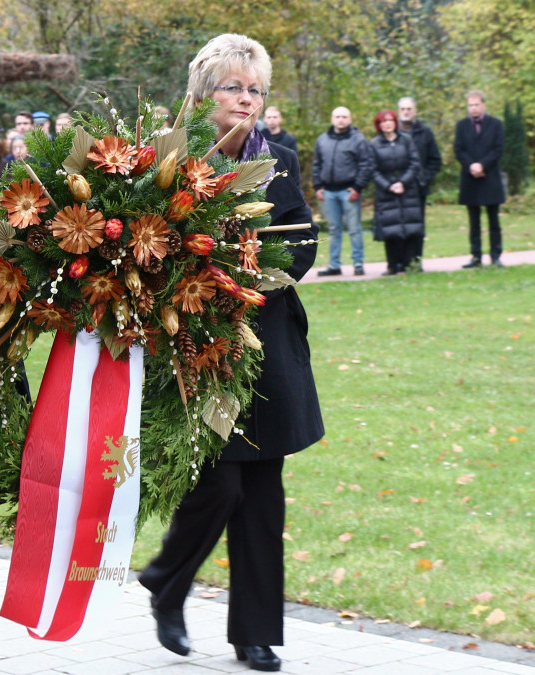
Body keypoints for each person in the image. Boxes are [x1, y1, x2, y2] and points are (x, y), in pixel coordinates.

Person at [138, 33, 323, 675]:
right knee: (216, 483)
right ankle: (167, 579)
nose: (246, 99)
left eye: (255, 89)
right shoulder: (168, 157)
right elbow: (147, 246)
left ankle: (255, 634)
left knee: (263, 492)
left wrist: (258, 273)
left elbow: (302, 239)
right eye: (234, 87)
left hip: (265, 339)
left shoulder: (281, 160)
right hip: (194, 340)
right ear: (203, 92)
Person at [312, 106, 372, 277]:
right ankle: (334, 265)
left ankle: (358, 263)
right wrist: (318, 186)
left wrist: (358, 187)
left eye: (344, 116)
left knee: (354, 228)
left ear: (350, 119)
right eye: (337, 116)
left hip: (349, 191)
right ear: (332, 119)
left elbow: (365, 165)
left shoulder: (358, 140)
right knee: (334, 229)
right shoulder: (322, 140)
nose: (341, 119)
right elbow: (317, 164)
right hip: (328, 192)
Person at [454, 90, 505, 268]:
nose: (473, 108)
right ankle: (476, 256)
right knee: (473, 221)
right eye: (470, 105)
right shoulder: (462, 126)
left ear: (483, 105)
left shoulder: (495, 124)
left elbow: (498, 149)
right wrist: (471, 166)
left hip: (489, 177)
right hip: (470, 179)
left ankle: (495, 255)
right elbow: (459, 149)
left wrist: (482, 165)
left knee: (493, 221)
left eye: (476, 104)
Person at [368, 109, 423, 275]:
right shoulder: (374, 144)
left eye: (389, 120)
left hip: (408, 190)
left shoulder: (406, 140)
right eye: (383, 121)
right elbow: (372, 169)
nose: (387, 123)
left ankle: (409, 264)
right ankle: (393, 265)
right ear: (379, 125)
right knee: (391, 230)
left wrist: (403, 182)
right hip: (386, 193)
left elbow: (414, 163)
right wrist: (388, 186)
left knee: (409, 227)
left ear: (395, 122)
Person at [397, 96, 442, 265]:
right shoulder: (392, 133)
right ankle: (400, 261)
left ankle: (416, 260)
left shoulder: (425, 132)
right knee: (398, 225)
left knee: (417, 226)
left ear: (415, 111)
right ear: (398, 111)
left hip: (418, 188)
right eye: (403, 109)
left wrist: (425, 179)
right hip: (398, 188)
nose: (406, 112)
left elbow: (435, 160)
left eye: (409, 109)